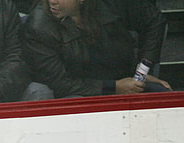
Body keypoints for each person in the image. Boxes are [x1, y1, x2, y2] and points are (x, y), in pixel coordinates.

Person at [22, 0, 171, 98]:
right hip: (79, 90)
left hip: (121, 76)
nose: (52, 2)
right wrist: (114, 87)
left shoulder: (110, 4)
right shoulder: (39, 27)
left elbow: (154, 20)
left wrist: (141, 73)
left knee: (163, 95)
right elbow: (60, 83)